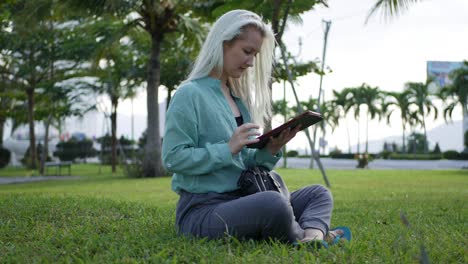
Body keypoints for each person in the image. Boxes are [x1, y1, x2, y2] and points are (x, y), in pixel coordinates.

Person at [162, 9, 350, 247]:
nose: (251, 62)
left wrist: (271, 149)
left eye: (255, 54)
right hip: (203, 210)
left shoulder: (237, 98)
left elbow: (244, 163)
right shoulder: (190, 94)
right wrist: (227, 148)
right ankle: (312, 237)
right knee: (273, 204)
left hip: (244, 198)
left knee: (318, 193)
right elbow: (172, 158)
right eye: (246, 51)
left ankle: (313, 239)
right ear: (223, 43)